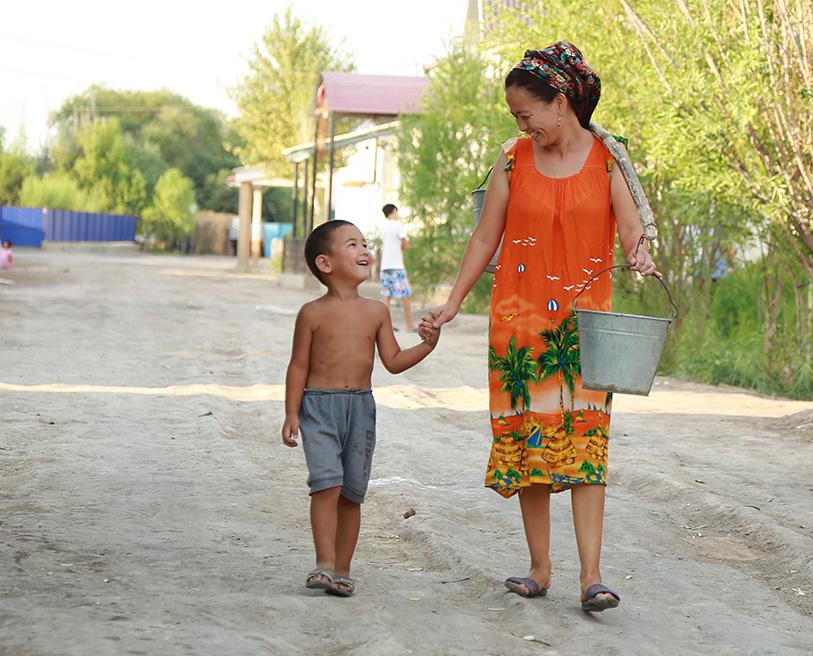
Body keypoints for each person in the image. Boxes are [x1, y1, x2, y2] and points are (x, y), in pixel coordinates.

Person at [419, 41, 659, 612]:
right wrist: (453, 302)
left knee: (584, 448)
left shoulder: (608, 156)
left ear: (561, 102)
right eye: (515, 117)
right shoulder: (511, 158)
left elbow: (631, 227)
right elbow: (486, 237)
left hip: (583, 329)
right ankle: (539, 568)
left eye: (527, 113)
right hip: (518, 325)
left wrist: (640, 255)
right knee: (530, 444)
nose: (522, 125)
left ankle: (592, 577)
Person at [281, 219, 440, 598]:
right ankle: (323, 563)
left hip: (360, 409)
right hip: (318, 407)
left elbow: (394, 361)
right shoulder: (311, 313)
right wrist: (291, 412)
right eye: (352, 245)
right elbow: (297, 366)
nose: (365, 250)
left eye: (365, 243)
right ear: (325, 263)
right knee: (326, 485)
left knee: (351, 493)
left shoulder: (376, 312)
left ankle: (342, 569)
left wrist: (428, 346)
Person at [378, 204, 415, 331]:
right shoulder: (398, 225)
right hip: (397, 266)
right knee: (406, 294)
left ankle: (386, 326)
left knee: (387, 296)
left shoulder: (384, 228)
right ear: (394, 211)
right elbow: (405, 245)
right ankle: (410, 325)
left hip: (385, 266)